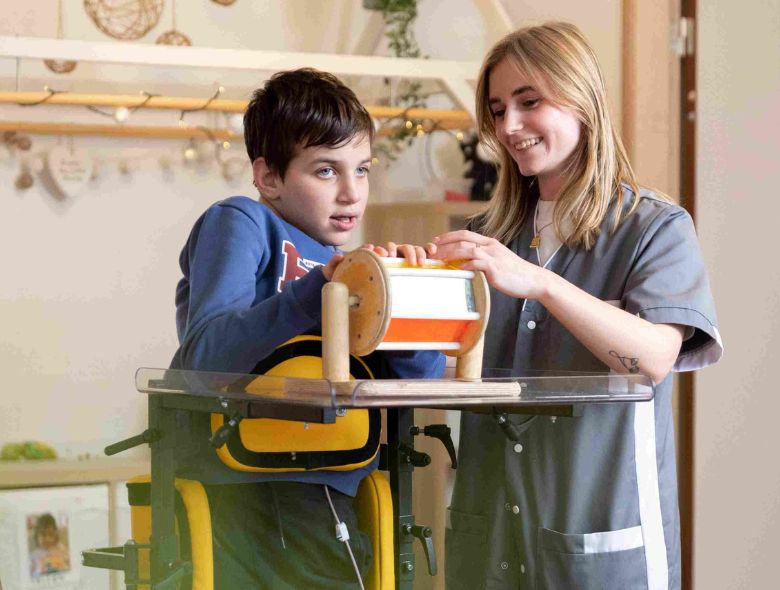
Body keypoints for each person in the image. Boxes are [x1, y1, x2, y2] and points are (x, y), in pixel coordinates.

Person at [432, 22, 722, 590]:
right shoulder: (486, 238)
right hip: (489, 543)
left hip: (602, 549)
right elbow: (439, 365)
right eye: (498, 110)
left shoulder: (654, 229)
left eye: (529, 102)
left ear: (582, 99)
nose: (508, 127)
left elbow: (653, 359)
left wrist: (542, 284)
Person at [170, 68, 444, 589]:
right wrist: (318, 289)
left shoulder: (349, 265)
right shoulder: (242, 221)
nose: (351, 193)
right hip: (252, 489)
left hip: (332, 491)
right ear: (269, 177)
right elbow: (203, 359)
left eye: (361, 170)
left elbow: (420, 382)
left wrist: (402, 295)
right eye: (325, 171)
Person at [29, 513, 70, 577]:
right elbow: (31, 571)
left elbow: (68, 561)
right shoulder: (34, 554)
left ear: (55, 535)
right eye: (43, 535)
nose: (47, 539)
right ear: (37, 536)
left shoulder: (60, 548)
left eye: (51, 535)